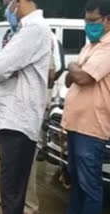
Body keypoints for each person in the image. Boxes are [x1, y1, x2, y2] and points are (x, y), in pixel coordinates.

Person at [0, 0, 51, 213]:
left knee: (12, 192)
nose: (6, 8)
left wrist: (3, 67)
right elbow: (2, 67)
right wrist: (5, 67)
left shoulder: (33, 30)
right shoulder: (27, 30)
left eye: (8, 2)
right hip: (14, 121)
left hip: (17, 121)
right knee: (12, 191)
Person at [61, 1, 110, 214]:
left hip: (91, 130)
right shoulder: (90, 46)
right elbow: (67, 81)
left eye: (93, 21)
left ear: (108, 21)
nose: (88, 25)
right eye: (86, 20)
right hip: (76, 127)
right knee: (77, 185)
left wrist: (73, 66)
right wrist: (75, 71)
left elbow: (80, 77)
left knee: (89, 187)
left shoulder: (108, 47)